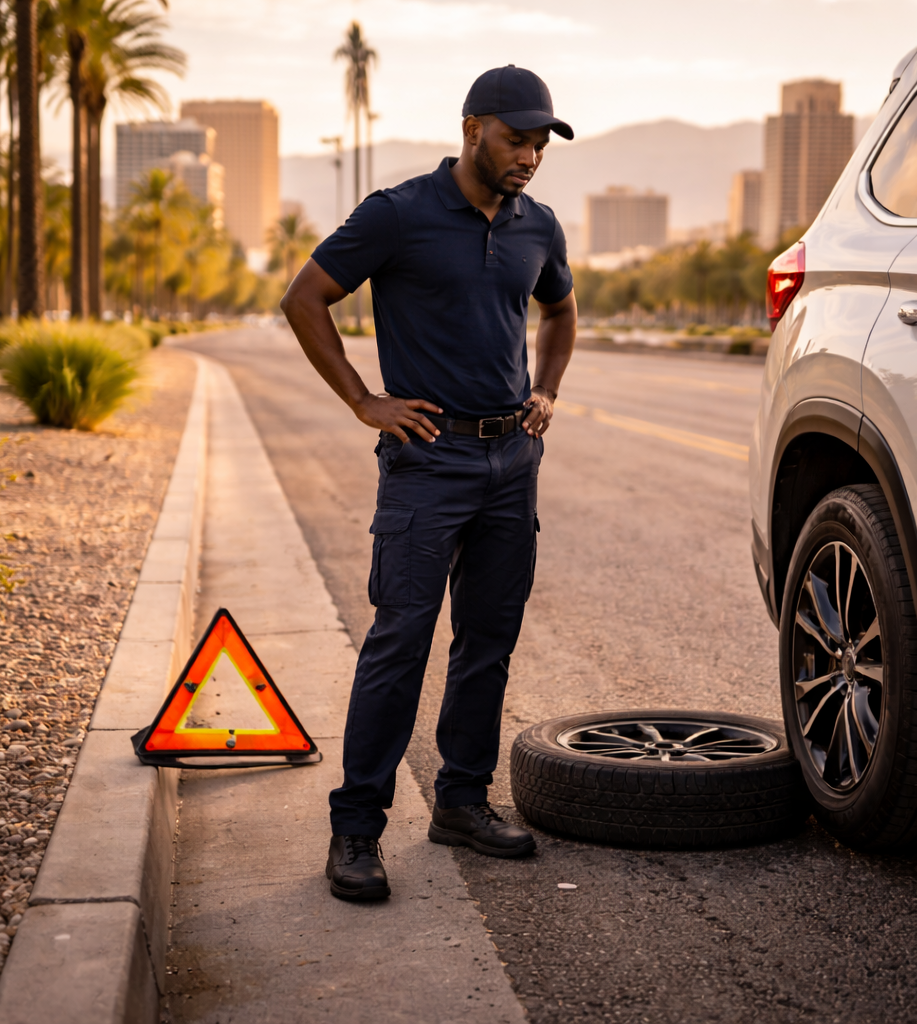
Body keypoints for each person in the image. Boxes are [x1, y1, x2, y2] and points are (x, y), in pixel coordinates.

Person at [281, 65, 577, 902]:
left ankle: (460, 803)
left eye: (539, 143)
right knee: (400, 641)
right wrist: (363, 400)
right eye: (515, 138)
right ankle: (356, 830)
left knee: (487, 641)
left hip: (510, 463)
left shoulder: (537, 225)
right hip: (426, 463)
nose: (528, 156)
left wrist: (547, 388)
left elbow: (560, 311)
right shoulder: (398, 214)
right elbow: (306, 298)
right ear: (472, 128)